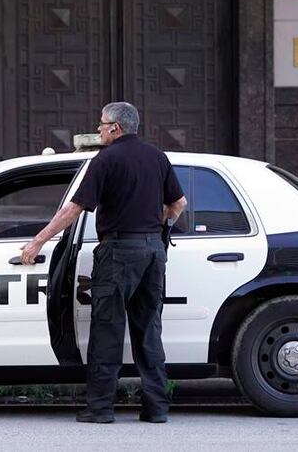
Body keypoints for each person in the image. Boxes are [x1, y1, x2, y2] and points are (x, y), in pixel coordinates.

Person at [21, 102, 187, 424]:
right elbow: (178, 203)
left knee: (107, 331)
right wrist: (159, 230)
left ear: (115, 128)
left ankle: (100, 409)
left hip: (118, 253)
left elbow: (73, 210)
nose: (98, 129)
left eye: (101, 124)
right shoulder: (158, 157)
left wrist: (37, 241)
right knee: (149, 331)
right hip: (153, 253)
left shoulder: (106, 160)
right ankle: (156, 409)